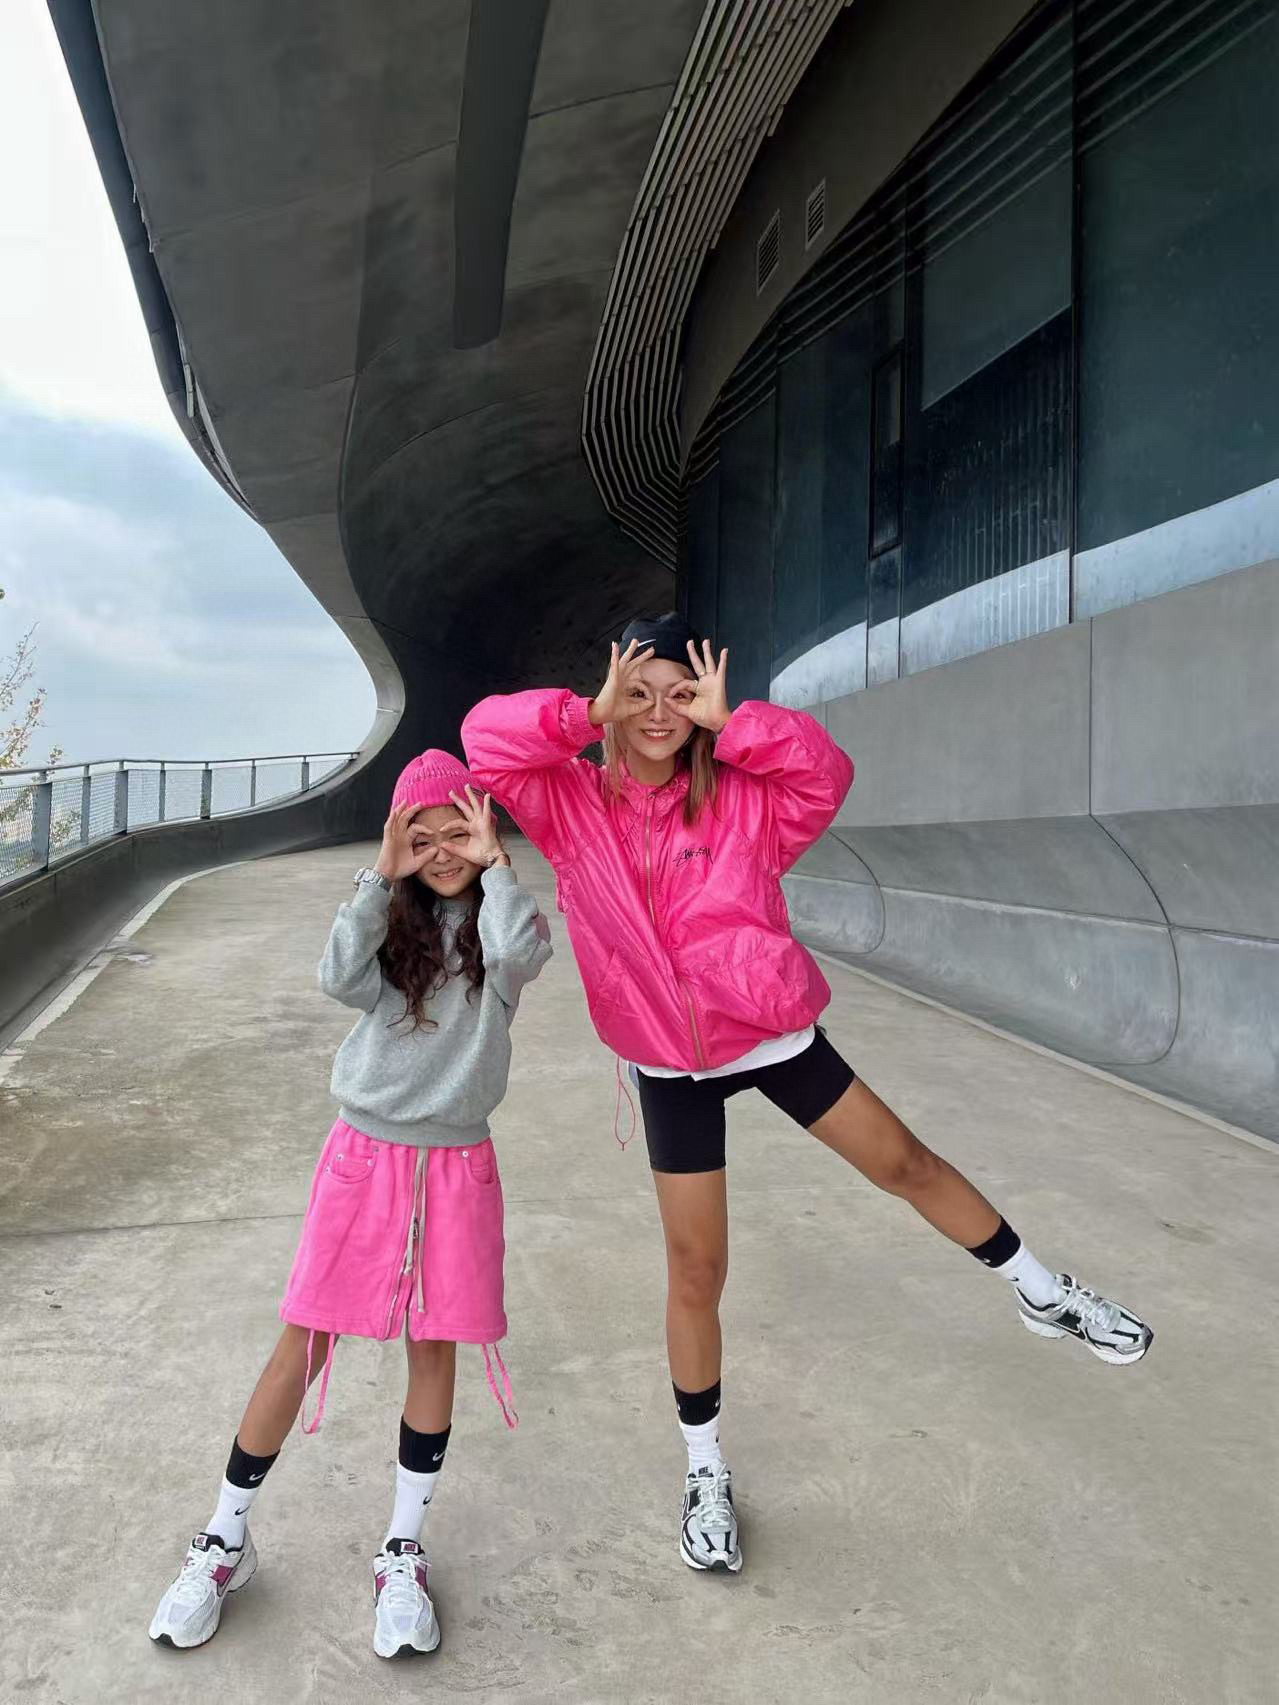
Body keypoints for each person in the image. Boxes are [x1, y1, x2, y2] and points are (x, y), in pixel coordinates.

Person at [462, 612, 1152, 1577]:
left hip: (768, 1029)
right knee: (696, 1269)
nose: (658, 713)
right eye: (640, 692)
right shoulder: (570, 798)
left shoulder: (746, 795)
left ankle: (1041, 1290)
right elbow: (483, 738)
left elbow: (826, 771)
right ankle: (705, 1469)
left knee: (905, 1163)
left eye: (678, 693)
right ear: (614, 695)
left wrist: (734, 722)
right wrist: (584, 711)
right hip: (667, 1061)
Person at [148, 751, 551, 1656]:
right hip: (364, 1157)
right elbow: (337, 977)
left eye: (457, 832)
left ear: (483, 833)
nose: (441, 851)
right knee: (304, 1339)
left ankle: (401, 1550)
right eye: (423, 836)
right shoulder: (388, 923)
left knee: (433, 1345)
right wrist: (378, 877)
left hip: (457, 1161)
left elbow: (523, 954)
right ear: (399, 840)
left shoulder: (501, 924)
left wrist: (497, 866)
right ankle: (224, 1538)